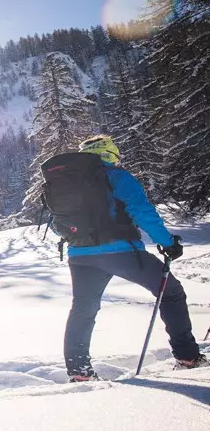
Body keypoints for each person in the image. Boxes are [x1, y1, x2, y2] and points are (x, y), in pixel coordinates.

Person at [63, 136, 207, 382]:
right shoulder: (117, 177)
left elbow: (60, 225)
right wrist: (167, 242)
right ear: (109, 154)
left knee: (83, 309)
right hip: (121, 251)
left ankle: (79, 372)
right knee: (170, 292)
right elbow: (141, 210)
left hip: (80, 256)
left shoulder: (67, 184)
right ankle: (187, 357)